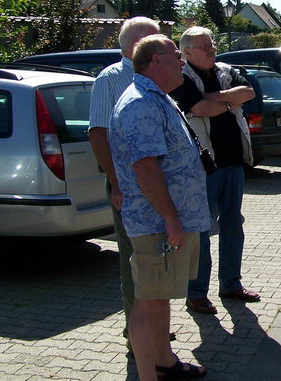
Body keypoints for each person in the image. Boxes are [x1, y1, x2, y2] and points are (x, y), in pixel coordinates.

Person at [109, 34, 209, 381]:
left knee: (161, 294)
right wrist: (171, 220)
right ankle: (148, 375)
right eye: (175, 56)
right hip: (155, 223)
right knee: (148, 300)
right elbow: (145, 168)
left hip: (167, 222)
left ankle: (165, 363)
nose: (182, 61)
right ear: (154, 62)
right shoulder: (140, 103)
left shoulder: (157, 98)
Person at [169, 26, 260, 314]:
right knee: (202, 229)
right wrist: (229, 101)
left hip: (233, 162)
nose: (212, 49)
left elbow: (249, 92)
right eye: (204, 46)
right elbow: (199, 108)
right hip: (203, 164)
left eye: (212, 44)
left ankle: (231, 284)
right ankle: (196, 292)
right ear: (186, 52)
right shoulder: (180, 76)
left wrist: (216, 97)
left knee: (234, 224)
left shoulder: (225, 70)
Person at [88, 16, 161, 348]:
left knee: (153, 259)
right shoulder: (111, 79)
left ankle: (150, 326)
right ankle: (138, 336)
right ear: (136, 46)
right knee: (134, 258)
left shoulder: (154, 80)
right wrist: (116, 184)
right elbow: (98, 134)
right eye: (157, 41)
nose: (166, 48)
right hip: (129, 186)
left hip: (154, 185)